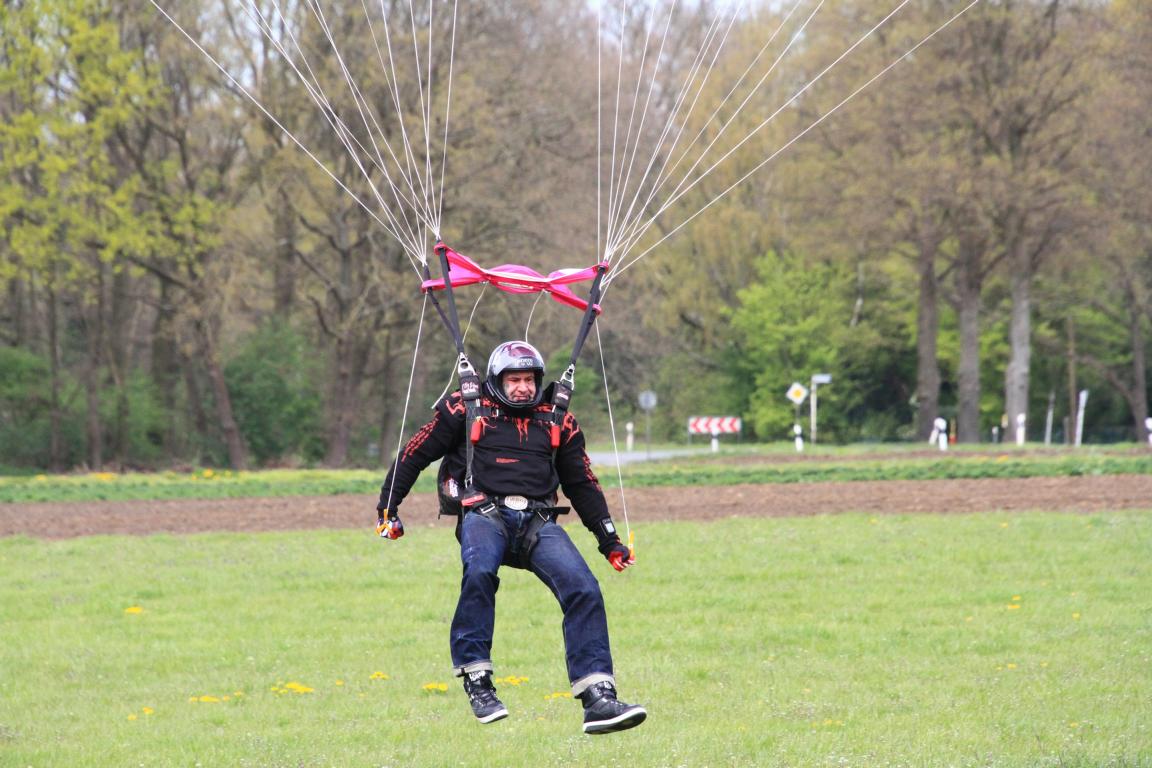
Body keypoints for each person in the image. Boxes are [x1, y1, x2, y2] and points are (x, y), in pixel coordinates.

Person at [376, 340, 646, 735]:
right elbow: (414, 454)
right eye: (514, 380)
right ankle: (477, 680)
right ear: (497, 380)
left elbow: (582, 483)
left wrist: (610, 541)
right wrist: (388, 509)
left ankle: (598, 698)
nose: (522, 388)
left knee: (584, 588)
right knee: (480, 572)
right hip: (484, 515)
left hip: (538, 522)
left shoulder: (558, 420)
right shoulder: (464, 408)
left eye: (529, 380)